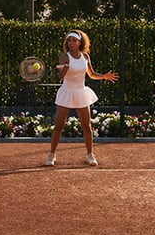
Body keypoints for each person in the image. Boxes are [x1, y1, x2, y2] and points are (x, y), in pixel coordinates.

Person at [44, 29, 117, 167]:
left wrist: (104, 76)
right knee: (59, 125)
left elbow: (91, 74)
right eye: (69, 41)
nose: (71, 43)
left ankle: (90, 155)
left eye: (74, 41)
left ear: (79, 42)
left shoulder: (85, 56)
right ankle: (52, 155)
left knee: (86, 126)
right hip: (66, 92)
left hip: (81, 92)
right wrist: (66, 67)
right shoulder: (64, 57)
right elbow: (60, 77)